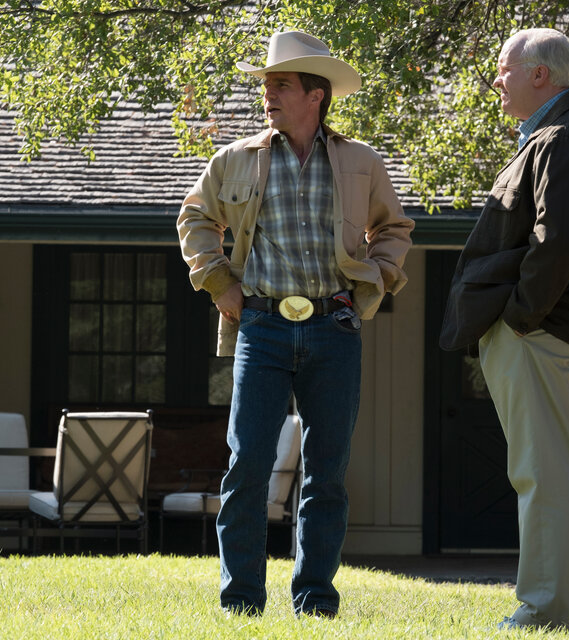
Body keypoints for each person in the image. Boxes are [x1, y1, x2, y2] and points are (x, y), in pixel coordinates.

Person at [177, 31, 413, 617]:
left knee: (326, 473)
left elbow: (393, 229)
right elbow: (195, 218)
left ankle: (315, 602)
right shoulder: (234, 159)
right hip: (261, 328)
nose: (268, 95)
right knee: (247, 467)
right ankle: (241, 603)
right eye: (266, 85)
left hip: (335, 329)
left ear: (316, 95)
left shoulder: (361, 161)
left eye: (280, 85)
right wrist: (220, 284)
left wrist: (372, 288)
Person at [439, 28, 569, 631]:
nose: (497, 80)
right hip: (562, 331)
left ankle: (546, 611)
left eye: (505, 69)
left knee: (542, 475)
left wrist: (521, 317)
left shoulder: (563, 137)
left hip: (541, 332)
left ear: (540, 75)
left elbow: (558, 239)